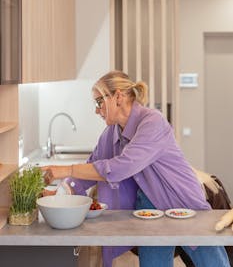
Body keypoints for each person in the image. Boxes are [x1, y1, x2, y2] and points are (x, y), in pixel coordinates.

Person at [42, 70, 230, 267]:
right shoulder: (110, 134)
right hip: (149, 208)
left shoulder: (152, 122)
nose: (97, 110)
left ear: (118, 97)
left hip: (182, 200)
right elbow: (91, 168)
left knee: (212, 263)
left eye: (99, 102)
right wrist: (59, 193)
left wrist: (65, 169)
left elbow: (120, 167)